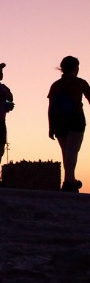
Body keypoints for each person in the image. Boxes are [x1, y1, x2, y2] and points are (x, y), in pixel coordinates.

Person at [47, 56, 90, 192]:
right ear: (75, 68)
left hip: (59, 122)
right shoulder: (80, 83)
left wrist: (51, 127)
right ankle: (68, 181)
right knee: (72, 152)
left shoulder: (55, 85)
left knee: (66, 152)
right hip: (75, 119)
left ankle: (70, 179)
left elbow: (51, 108)